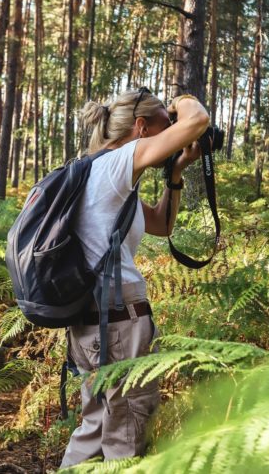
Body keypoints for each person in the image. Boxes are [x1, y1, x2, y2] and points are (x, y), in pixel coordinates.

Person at [60, 88, 209, 467]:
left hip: (95, 325)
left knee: (95, 429)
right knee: (127, 436)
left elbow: (161, 223)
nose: (173, 130)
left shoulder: (101, 171)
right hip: (118, 323)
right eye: (165, 123)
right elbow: (197, 120)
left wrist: (175, 173)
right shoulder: (119, 160)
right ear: (141, 127)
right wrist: (182, 102)